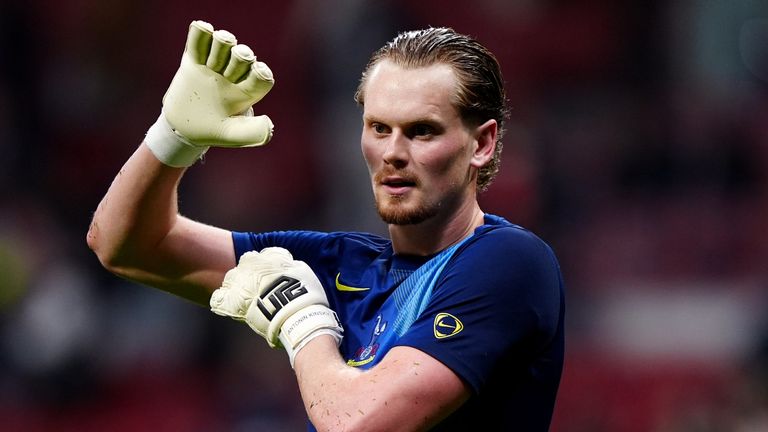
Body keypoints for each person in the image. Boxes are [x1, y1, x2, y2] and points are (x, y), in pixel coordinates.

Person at [87, 19, 565, 431]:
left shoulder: (510, 262)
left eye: (422, 131)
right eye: (379, 128)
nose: (393, 153)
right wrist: (172, 137)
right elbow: (123, 245)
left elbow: (356, 423)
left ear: (481, 144)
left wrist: (301, 320)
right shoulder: (339, 265)